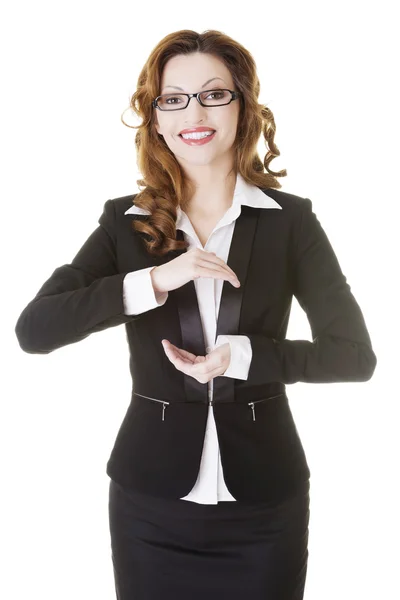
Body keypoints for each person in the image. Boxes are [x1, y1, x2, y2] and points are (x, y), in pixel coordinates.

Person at [14, 29, 377, 600]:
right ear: (155, 119)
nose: (194, 112)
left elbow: (355, 357)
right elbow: (34, 330)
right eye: (173, 98)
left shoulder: (291, 222)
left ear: (243, 106)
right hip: (149, 509)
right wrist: (155, 280)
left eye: (213, 94)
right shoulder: (124, 223)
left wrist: (245, 357)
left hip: (265, 509)